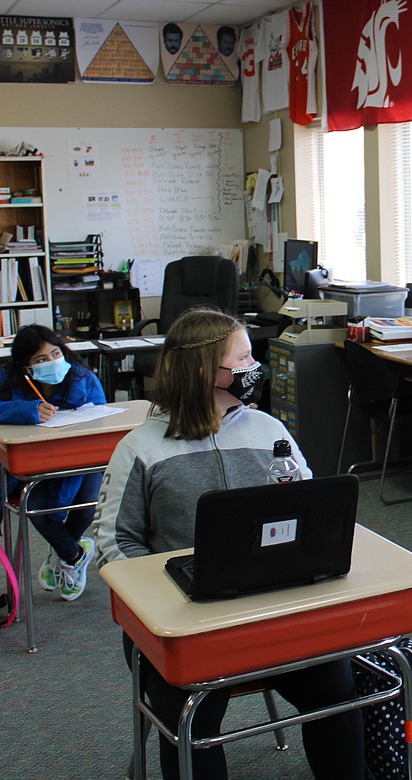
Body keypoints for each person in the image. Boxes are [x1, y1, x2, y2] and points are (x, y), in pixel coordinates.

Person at [92, 307, 365, 780]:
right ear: (203, 370)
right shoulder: (140, 448)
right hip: (182, 624)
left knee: (336, 690)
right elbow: (114, 543)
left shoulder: (269, 431)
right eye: (242, 358)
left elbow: (314, 511)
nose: (252, 368)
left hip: (271, 607)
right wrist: (164, 604)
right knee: (190, 718)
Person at [0, 324, 106, 601]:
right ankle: (74, 554)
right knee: (37, 506)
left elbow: (102, 423)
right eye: (41, 360)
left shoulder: (83, 378)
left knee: (87, 507)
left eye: (55, 353)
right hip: (38, 466)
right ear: (26, 367)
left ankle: (63, 552)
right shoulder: (11, 382)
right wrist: (26, 410)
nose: (52, 362)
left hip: (83, 461)